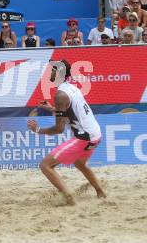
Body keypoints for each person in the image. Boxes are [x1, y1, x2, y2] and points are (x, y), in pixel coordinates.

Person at [27, 60, 106, 205]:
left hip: (85, 137)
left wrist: (37, 130)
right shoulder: (72, 88)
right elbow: (70, 113)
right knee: (80, 163)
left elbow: (59, 129)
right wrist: (53, 109)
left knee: (45, 165)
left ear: (58, 73)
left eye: (51, 70)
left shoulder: (60, 95)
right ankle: (100, 192)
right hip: (96, 134)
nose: (48, 73)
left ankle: (69, 198)